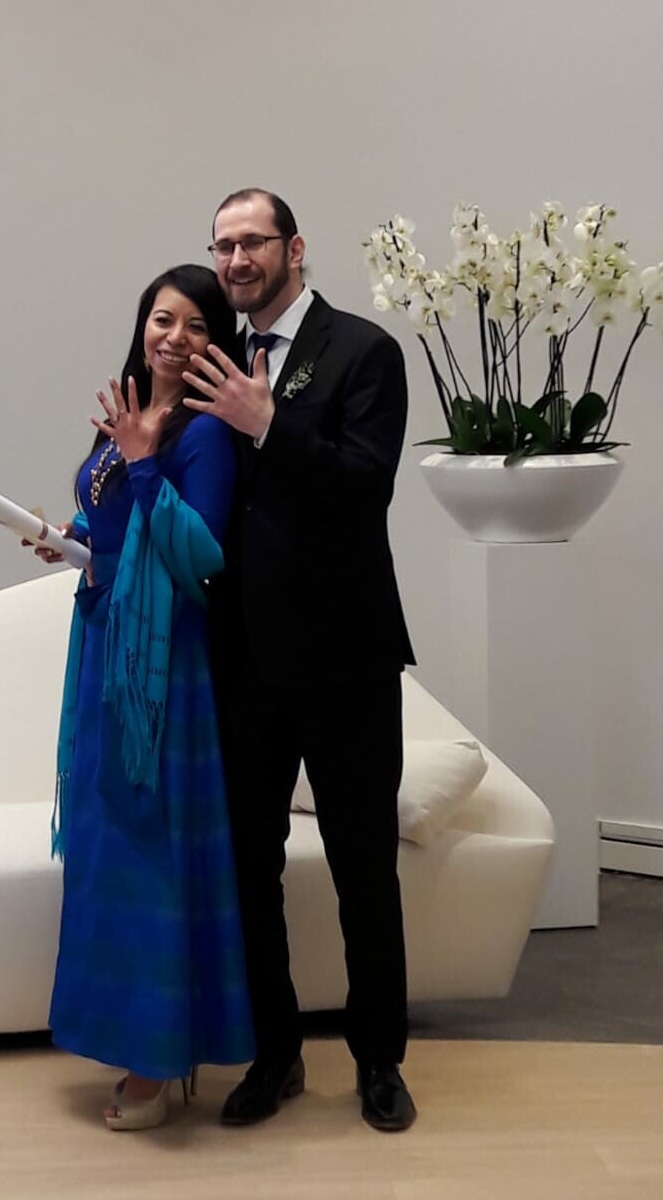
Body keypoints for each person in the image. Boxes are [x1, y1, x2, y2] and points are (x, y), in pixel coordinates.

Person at [182, 189, 418, 1132]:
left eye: (254, 242)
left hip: (345, 657)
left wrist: (270, 424)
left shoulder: (363, 350)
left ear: (294, 248)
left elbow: (366, 486)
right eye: (223, 245)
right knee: (249, 869)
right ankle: (275, 1054)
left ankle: (379, 1062)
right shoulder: (215, 359)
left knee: (364, 867)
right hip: (243, 662)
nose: (237, 259)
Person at [40, 264, 254, 1130]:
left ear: (215, 344)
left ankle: (156, 1064)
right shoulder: (128, 415)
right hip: (105, 646)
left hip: (164, 667)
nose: (175, 337)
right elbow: (117, 526)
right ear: (143, 327)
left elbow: (201, 555)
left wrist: (140, 461)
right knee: (105, 847)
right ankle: (124, 1040)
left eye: (197, 325)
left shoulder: (205, 435)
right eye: (163, 319)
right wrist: (69, 537)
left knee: (149, 852)